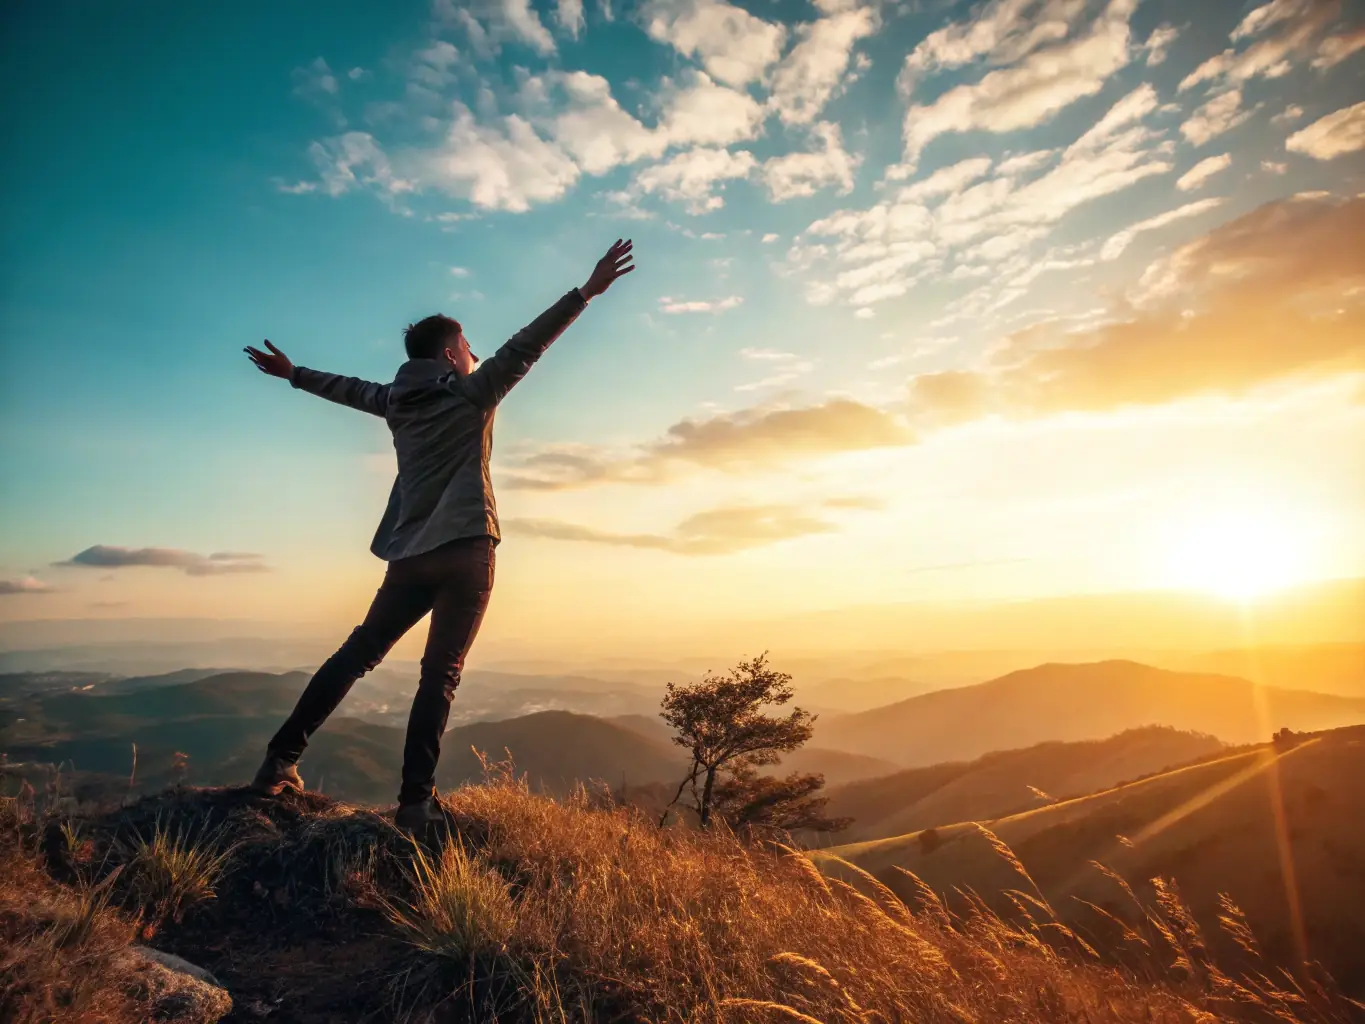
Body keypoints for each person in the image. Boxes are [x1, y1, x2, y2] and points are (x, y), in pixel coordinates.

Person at [241, 239, 636, 830]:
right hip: (466, 552)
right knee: (439, 676)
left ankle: (278, 763)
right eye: (469, 347)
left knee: (355, 655)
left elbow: (348, 388)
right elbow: (525, 346)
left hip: (409, 559)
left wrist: (295, 374)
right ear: (452, 353)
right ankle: (415, 802)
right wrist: (585, 292)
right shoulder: (472, 392)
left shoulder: (395, 401)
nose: (476, 355)